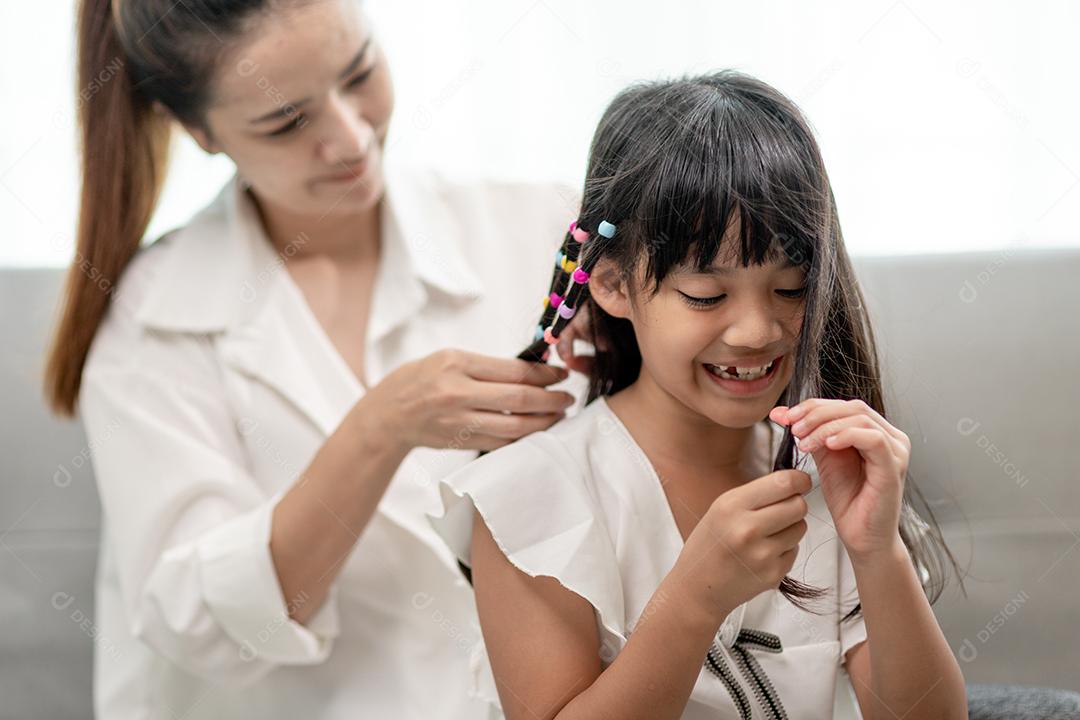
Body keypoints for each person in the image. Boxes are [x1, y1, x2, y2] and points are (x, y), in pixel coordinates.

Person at [43, 0, 586, 717]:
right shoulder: (154, 320)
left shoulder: (543, 231)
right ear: (200, 132)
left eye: (360, 73)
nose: (352, 137)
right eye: (288, 122)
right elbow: (203, 628)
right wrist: (381, 428)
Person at [429, 70, 968, 719]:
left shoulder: (826, 471)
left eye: (792, 288)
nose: (757, 330)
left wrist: (878, 553)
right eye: (706, 296)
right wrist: (694, 598)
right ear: (611, 284)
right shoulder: (533, 496)